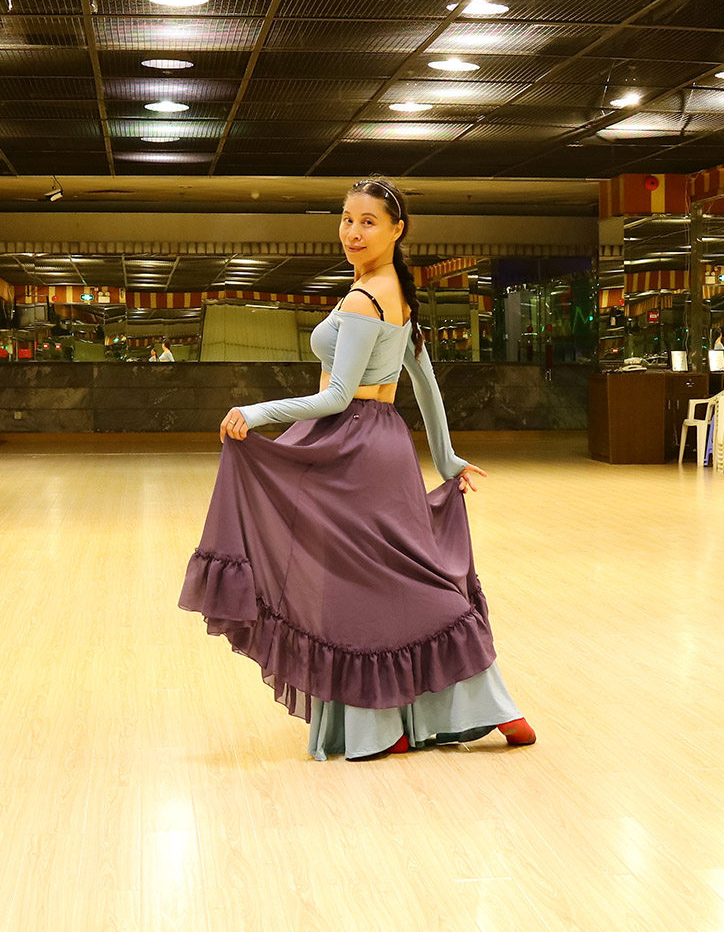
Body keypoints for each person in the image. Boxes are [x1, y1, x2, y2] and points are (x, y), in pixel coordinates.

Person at [178, 176, 535, 761]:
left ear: (397, 230)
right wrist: (445, 458)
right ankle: (471, 710)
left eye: (368, 221)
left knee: (359, 585)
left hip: (353, 448)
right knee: (391, 579)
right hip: (382, 444)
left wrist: (256, 412)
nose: (353, 232)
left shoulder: (365, 299)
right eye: (347, 219)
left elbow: (338, 396)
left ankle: (396, 723)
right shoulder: (393, 292)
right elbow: (425, 385)